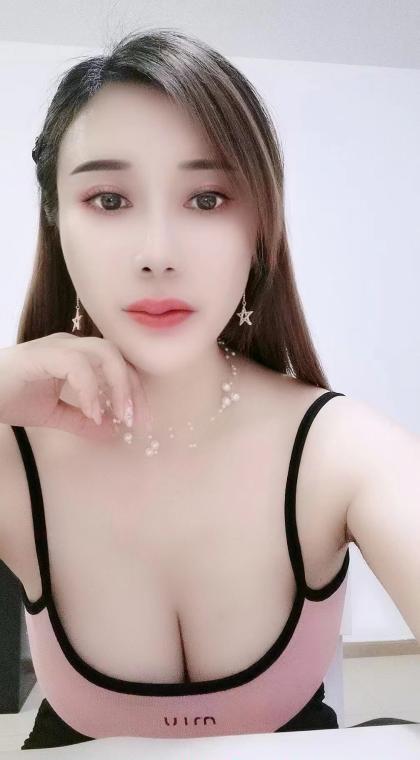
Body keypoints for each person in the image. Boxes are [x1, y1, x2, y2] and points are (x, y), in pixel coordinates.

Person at [0, 27, 417, 751]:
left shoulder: (338, 449)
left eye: (207, 198)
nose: (157, 253)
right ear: (56, 222)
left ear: (261, 227)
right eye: (108, 199)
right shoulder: (13, 453)